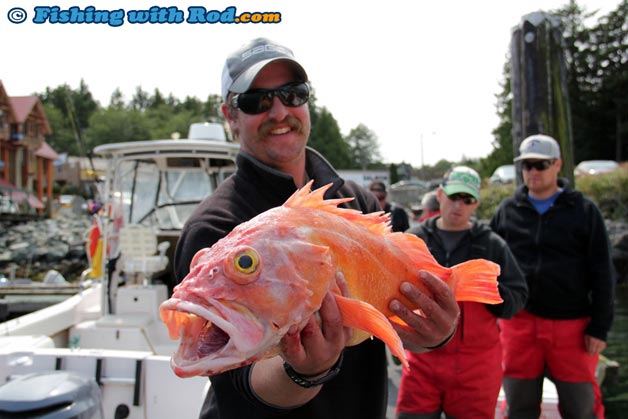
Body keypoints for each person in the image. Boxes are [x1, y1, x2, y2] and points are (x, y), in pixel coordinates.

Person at [173, 37, 460, 419]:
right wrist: (305, 371)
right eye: (255, 101)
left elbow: (388, 325)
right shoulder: (216, 228)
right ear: (230, 115)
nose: (279, 111)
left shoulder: (358, 203)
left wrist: (435, 333)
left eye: (293, 94)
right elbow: (241, 385)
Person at [490, 134, 615, 419]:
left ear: (558, 165)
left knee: (580, 408)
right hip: (519, 324)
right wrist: (496, 312)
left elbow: (603, 272)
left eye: (541, 164)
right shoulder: (507, 211)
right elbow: (489, 267)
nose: (533, 172)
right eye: (527, 165)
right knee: (519, 406)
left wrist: (600, 327)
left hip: (573, 327)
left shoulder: (584, 211)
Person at [395, 166, 528, 419]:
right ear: (441, 195)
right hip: (422, 361)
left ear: (475, 204)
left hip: (477, 366)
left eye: (467, 200)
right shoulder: (413, 240)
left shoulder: (492, 244)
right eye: (455, 197)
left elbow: (518, 296)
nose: (459, 205)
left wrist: (485, 289)